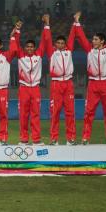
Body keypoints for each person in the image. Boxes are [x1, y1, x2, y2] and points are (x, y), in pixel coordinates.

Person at [72, 10, 106, 145]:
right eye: (93, 39)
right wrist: (77, 22)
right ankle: (85, 138)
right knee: (89, 112)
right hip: (93, 84)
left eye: (95, 39)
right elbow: (81, 36)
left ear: (102, 41)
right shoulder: (90, 50)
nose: (93, 41)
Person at [11, 18, 50, 145]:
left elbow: (44, 41)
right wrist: (17, 29)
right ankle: (23, 139)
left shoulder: (39, 54)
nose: (29, 48)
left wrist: (46, 25)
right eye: (27, 46)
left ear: (34, 48)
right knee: (23, 115)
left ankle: (36, 139)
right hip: (24, 88)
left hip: (35, 88)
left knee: (35, 115)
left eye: (31, 47)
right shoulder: (20, 55)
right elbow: (16, 43)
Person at [42, 14, 77, 145]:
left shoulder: (69, 51)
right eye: (59, 43)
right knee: (55, 112)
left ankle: (71, 138)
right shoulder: (52, 52)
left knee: (70, 112)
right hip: (56, 84)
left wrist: (75, 22)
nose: (61, 45)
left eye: (63, 43)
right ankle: (54, 138)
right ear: (55, 44)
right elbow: (47, 38)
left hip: (68, 83)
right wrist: (47, 24)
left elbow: (73, 37)